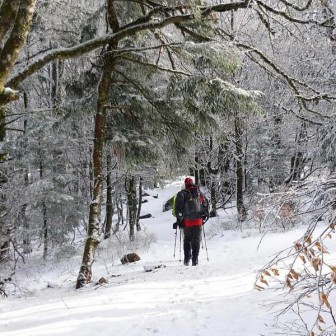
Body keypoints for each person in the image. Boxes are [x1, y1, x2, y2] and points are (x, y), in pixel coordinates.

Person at [173, 177, 209, 266]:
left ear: (185, 185)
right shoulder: (198, 192)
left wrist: (179, 220)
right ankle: (195, 260)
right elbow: (205, 204)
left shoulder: (182, 194)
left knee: (187, 240)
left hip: (187, 222)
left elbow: (178, 209)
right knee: (196, 240)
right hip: (198, 221)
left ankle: (186, 259)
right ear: (192, 183)